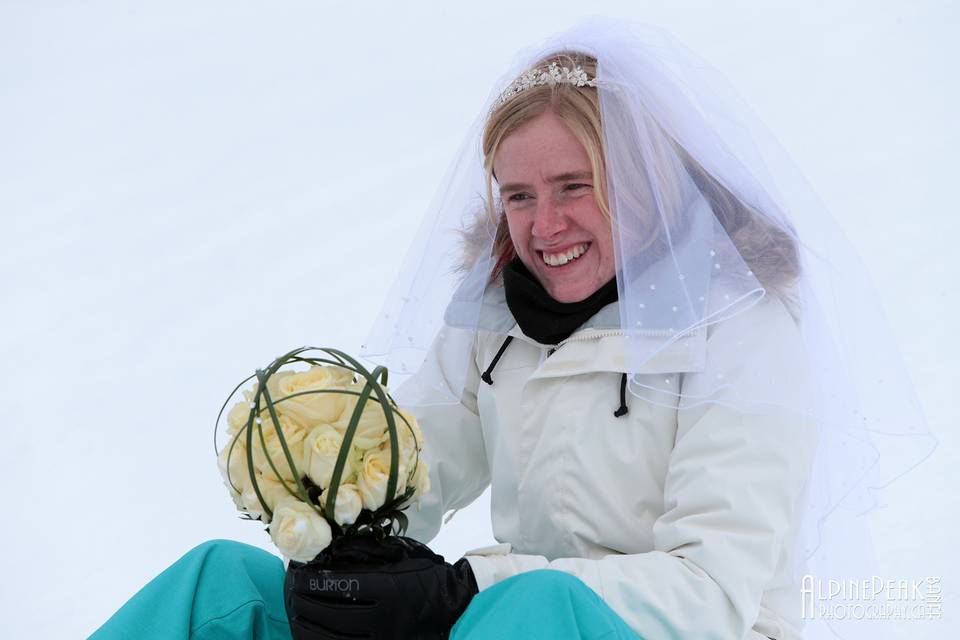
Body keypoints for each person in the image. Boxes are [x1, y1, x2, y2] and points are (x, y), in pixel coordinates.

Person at [89, 16, 936, 640]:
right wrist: (337, 523)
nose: (544, 224)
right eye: (519, 195)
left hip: (668, 630)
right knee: (224, 585)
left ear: (640, 178)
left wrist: (465, 591)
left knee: (534, 611)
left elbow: (710, 593)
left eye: (575, 185)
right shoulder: (496, 313)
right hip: (504, 621)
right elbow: (415, 464)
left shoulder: (742, 333)